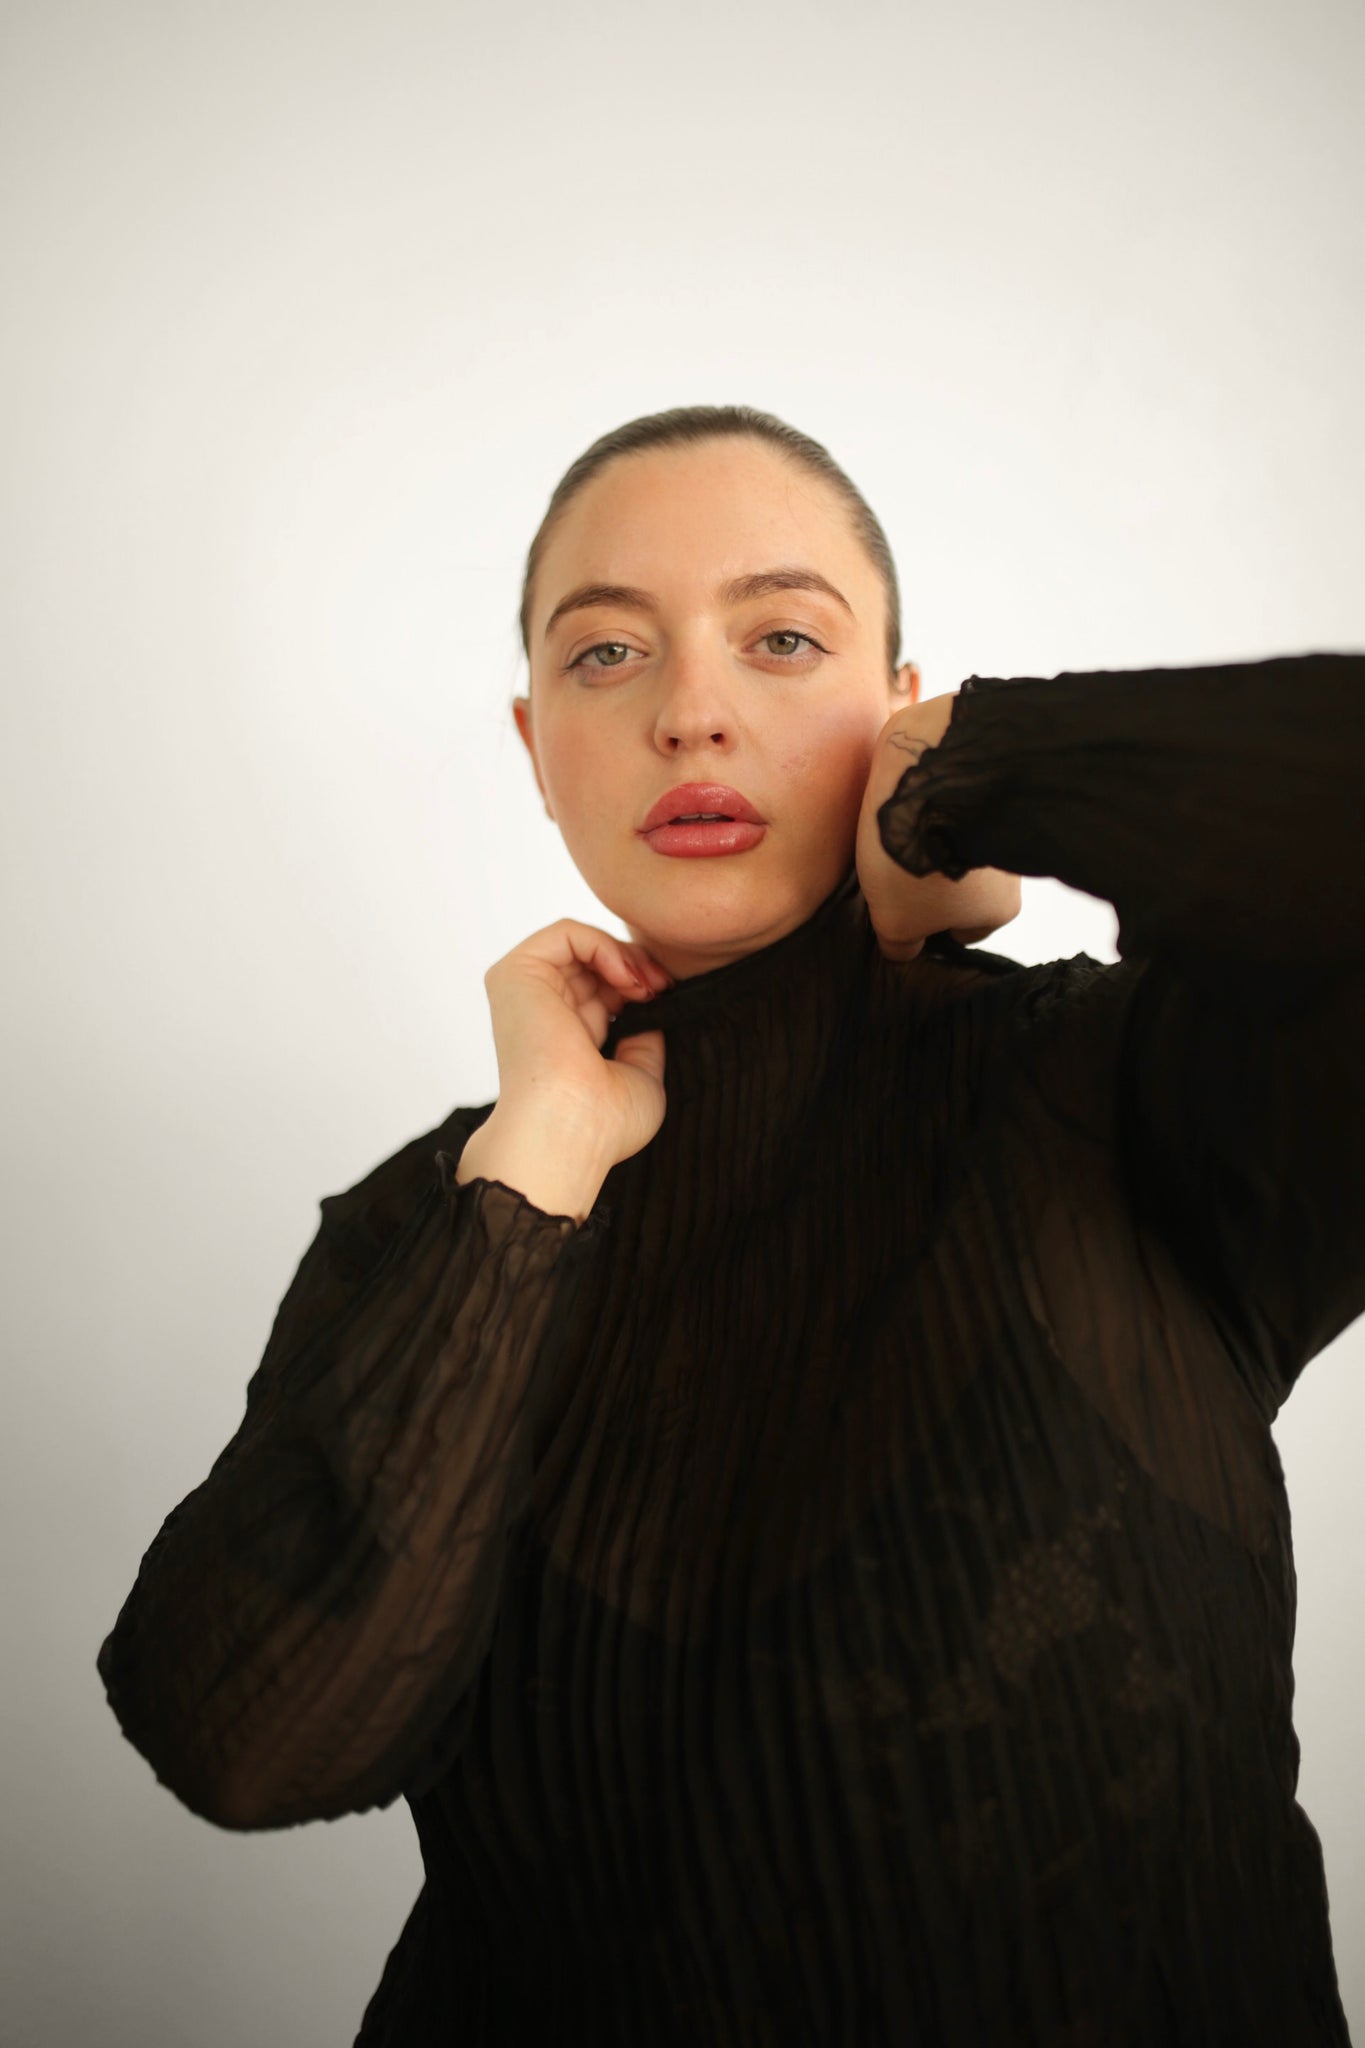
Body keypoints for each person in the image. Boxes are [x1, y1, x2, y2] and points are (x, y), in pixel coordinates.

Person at [96, 404, 1364, 2046]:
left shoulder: (1114, 1087)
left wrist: (975, 779)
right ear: (533, 744)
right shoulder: (438, 1218)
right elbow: (248, 1743)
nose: (689, 712)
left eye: (780, 639)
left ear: (892, 698)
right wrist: (536, 1166)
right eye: (606, 654)